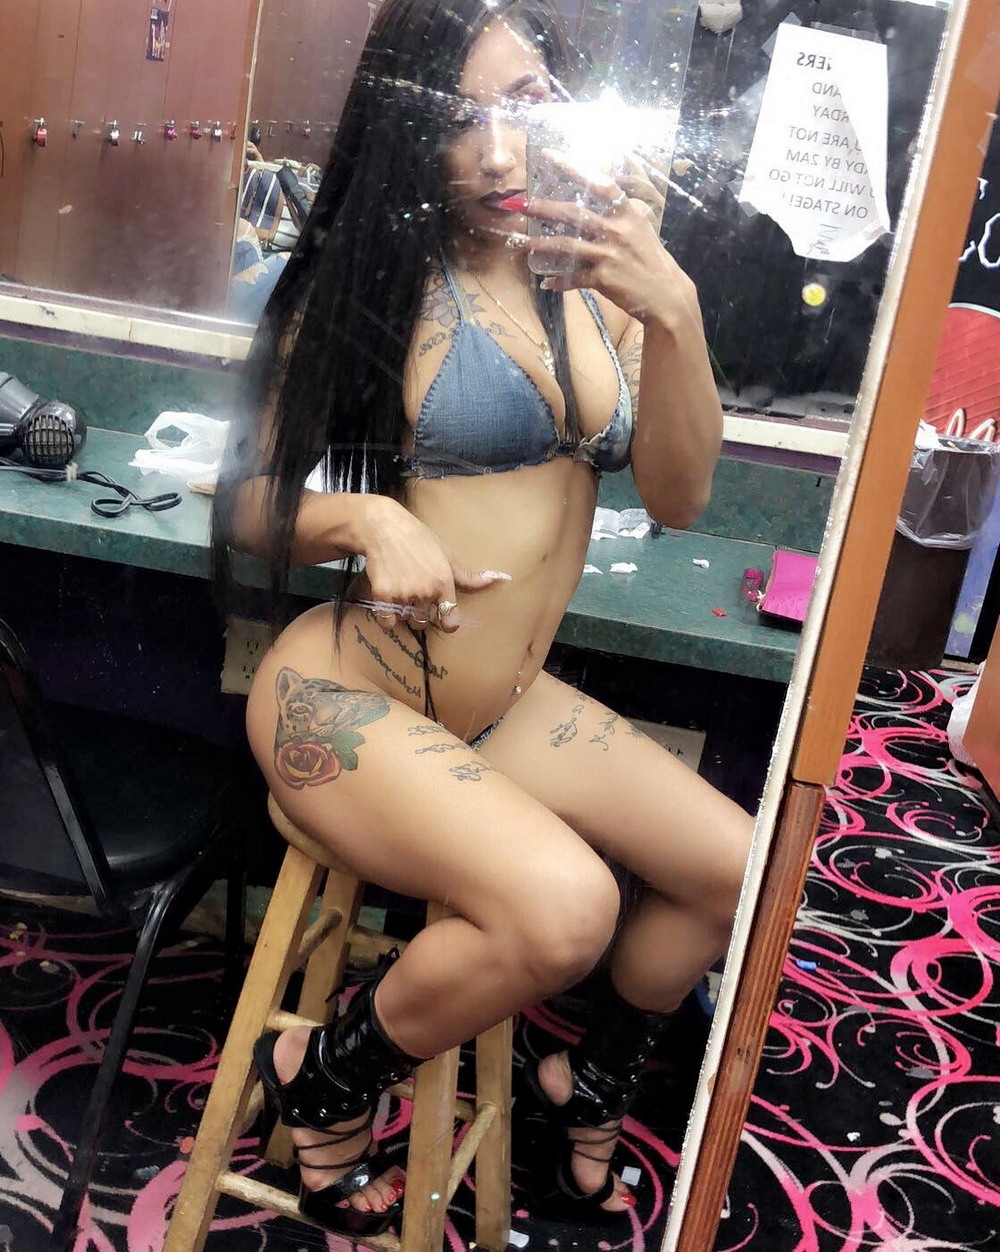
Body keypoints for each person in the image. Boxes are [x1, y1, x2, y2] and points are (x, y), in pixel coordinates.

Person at [212, 0, 753, 1235]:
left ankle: (588, 1081)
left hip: (500, 706)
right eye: (461, 120)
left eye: (524, 105)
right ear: (410, 132)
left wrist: (674, 310)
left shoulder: (598, 276)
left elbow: (678, 496)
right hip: (349, 694)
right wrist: (367, 521)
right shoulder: (378, 278)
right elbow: (245, 498)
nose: (501, 152)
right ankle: (321, 1074)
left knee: (740, 870)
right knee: (570, 909)